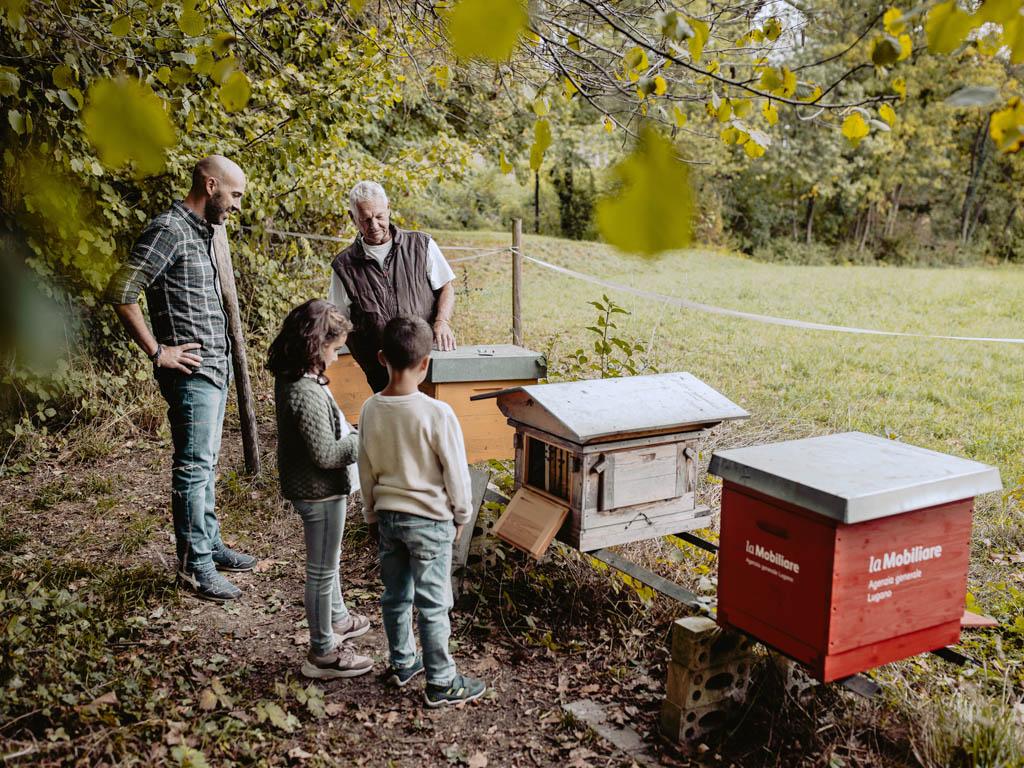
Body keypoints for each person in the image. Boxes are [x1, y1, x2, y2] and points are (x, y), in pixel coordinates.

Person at [105, 155, 256, 603]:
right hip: (190, 375)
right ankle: (195, 567)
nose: (236, 205)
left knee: (206, 464)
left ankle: (208, 544)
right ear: (210, 186)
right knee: (193, 468)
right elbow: (121, 289)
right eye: (234, 195)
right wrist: (158, 351)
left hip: (214, 369)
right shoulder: (168, 229)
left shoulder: (202, 231)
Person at [357, 315, 486, 707]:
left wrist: (370, 515)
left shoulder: (369, 409)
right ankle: (442, 681)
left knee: (395, 596)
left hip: (389, 518)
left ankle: (402, 662)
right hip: (430, 521)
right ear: (426, 362)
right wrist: (462, 515)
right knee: (433, 602)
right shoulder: (437, 413)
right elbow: (456, 472)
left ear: (381, 358)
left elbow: (364, 468)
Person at [267, 299, 373, 680]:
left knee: (328, 561)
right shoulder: (305, 392)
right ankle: (323, 652)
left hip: (314, 488)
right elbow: (327, 454)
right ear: (315, 345)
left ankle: (338, 618)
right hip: (319, 490)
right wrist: (365, 439)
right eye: (333, 348)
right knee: (321, 570)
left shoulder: (294, 375)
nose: (336, 356)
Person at [328, 181, 457, 393]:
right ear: (352, 218)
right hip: (379, 371)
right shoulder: (344, 265)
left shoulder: (421, 245)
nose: (374, 225)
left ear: (389, 207)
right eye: (366, 219)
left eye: (379, 216)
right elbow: (339, 318)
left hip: (425, 361)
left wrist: (442, 322)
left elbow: (446, 287)